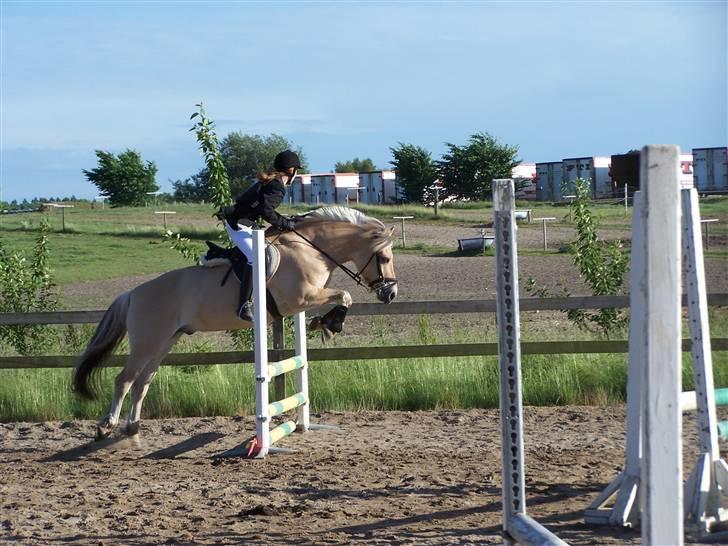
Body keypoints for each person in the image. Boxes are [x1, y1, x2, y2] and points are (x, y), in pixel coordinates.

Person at [217, 149, 301, 321]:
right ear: (292, 170)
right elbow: (266, 211)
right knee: (257, 258)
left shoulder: (274, 182)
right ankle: (244, 305)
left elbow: (264, 208)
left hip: (245, 222)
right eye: (297, 170)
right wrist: (286, 224)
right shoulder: (277, 186)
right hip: (239, 225)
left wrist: (285, 220)